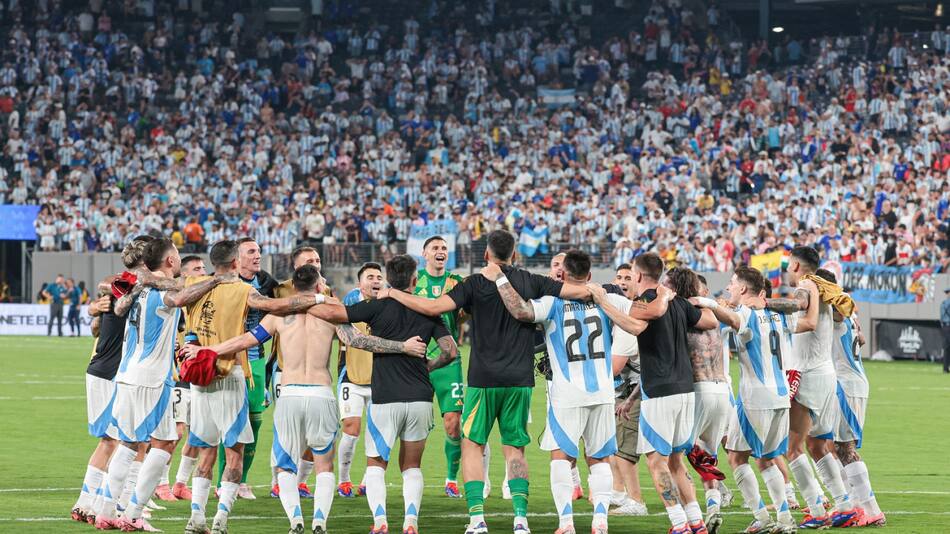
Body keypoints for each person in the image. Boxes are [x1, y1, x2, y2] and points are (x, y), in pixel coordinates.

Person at [182, 263, 424, 534]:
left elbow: (248, 340)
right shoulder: (331, 313)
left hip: (290, 394)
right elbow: (359, 341)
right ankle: (319, 522)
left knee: (285, 465)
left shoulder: (279, 315)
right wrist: (401, 346)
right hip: (321, 394)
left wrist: (209, 349)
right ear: (320, 286)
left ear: (294, 287)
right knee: (324, 463)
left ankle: (296, 520)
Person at [379, 229, 590, 534]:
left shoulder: (475, 283)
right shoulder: (530, 280)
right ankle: (520, 519)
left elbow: (434, 308)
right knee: (515, 448)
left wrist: (393, 292)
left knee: (472, 445)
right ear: (514, 255)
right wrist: (601, 292)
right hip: (519, 380)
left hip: (483, 379)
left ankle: (477, 519)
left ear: (486, 256)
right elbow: (576, 291)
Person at [486, 249, 667, 534]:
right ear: (590, 275)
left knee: (561, 458)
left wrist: (499, 279)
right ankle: (600, 521)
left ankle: (567, 523)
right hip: (604, 392)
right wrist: (665, 294)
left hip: (567, 394)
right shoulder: (610, 299)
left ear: (565, 276)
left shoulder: (552, 301)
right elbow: (643, 313)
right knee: (599, 459)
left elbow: (520, 310)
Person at [181, 239, 325, 534]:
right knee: (234, 451)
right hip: (229, 373)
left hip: (199, 379)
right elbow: (274, 306)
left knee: (206, 449)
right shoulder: (244, 291)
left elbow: (173, 295)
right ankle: (221, 518)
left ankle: (196, 515)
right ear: (235, 263)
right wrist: (317, 299)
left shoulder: (194, 283)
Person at [312, 255, 459, 534]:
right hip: (419, 397)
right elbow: (450, 350)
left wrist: (320, 297)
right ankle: (411, 522)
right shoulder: (428, 310)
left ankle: (380, 521)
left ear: (388, 280)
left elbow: (340, 321)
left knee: (376, 465)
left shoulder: (375, 307)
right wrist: (430, 364)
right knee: (412, 465)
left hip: (385, 397)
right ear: (415, 281)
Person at [99, 238, 225, 531]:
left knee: (129, 442)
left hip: (128, 374)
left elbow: (122, 300)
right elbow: (180, 298)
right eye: (178, 255)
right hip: (151, 379)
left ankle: (106, 511)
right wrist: (217, 281)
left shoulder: (136, 289)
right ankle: (133, 513)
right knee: (166, 442)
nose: (179, 259)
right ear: (169, 261)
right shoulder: (159, 292)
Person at [592, 254, 718, 534]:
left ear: (637, 276)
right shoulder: (678, 302)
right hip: (685, 390)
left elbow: (636, 322)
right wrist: (698, 302)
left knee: (656, 462)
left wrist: (603, 302)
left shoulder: (644, 304)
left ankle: (678, 523)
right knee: (675, 461)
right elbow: (710, 321)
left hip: (660, 392)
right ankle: (696, 522)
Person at [765, 246, 860, 528]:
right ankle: (844, 505)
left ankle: (817, 510)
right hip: (825, 374)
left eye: (788, 265)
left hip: (808, 374)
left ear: (795, 265)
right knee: (817, 445)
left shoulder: (807, 285)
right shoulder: (824, 288)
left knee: (792, 448)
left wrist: (766, 308)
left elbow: (801, 312)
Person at [699, 265, 797, 534]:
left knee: (736, 457)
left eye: (732, 283)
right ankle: (785, 519)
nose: (729, 288)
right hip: (781, 396)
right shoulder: (778, 315)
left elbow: (731, 320)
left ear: (743, 289)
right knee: (766, 459)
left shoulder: (745, 313)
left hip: (756, 397)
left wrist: (706, 302)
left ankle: (762, 517)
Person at [71, 236, 152, 525]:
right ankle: (110, 505)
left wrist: (95, 309)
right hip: (112, 372)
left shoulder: (124, 287)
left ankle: (88, 503)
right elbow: (108, 283)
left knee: (113, 441)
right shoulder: (126, 284)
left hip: (103, 369)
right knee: (126, 441)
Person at [666, 269, 733, 533]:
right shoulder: (712, 313)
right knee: (708, 458)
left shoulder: (680, 313)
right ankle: (714, 508)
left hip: (698, 389)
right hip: (722, 391)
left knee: (673, 459)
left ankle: (685, 519)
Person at [816, 269, 885, 527]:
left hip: (846, 384)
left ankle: (870, 508)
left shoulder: (837, 309)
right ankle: (855, 505)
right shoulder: (849, 311)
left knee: (844, 449)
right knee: (835, 447)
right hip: (852, 381)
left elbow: (838, 316)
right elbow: (863, 339)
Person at [213, 237, 280, 500]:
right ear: (236, 258)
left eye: (259, 251)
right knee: (228, 423)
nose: (258, 256)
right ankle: (222, 481)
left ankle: (242, 480)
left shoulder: (267, 282)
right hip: (229, 358)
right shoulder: (221, 281)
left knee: (255, 421)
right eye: (251, 251)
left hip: (255, 358)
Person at [268, 246, 333, 499]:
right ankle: (278, 480)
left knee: (311, 436)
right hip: (285, 372)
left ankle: (301, 480)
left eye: (318, 259)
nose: (316, 263)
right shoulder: (279, 290)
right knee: (284, 431)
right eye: (309, 261)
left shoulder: (326, 290)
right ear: (296, 267)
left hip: (315, 378)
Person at [413, 236, 472, 499]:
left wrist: (465, 310)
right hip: (419, 358)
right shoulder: (415, 282)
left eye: (444, 248)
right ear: (424, 253)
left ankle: (450, 479)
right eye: (435, 248)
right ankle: (411, 476)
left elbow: (465, 316)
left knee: (453, 423)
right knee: (416, 423)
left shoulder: (456, 282)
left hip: (449, 361)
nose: (441, 252)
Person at [154, 255, 207, 502]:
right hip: (177, 374)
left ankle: (180, 483)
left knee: (198, 432)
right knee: (175, 431)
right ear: (184, 274)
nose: (203, 271)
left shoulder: (204, 298)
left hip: (199, 373)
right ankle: (161, 484)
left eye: (204, 267)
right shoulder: (173, 298)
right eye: (197, 269)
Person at [336, 262, 384, 498]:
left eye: (378, 277)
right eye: (370, 277)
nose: (375, 280)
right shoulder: (351, 302)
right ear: (360, 283)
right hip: (351, 376)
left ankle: (368, 480)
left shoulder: (388, 303)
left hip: (379, 378)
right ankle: (344, 480)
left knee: (376, 432)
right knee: (351, 428)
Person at [606, 263, 650, 517]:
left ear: (637, 281)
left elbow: (615, 367)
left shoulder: (633, 316)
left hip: (637, 390)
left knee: (625, 449)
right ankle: (621, 492)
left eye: (628, 277)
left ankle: (637, 501)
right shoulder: (625, 313)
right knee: (615, 443)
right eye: (619, 277)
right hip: (629, 389)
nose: (622, 281)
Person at [941, 288, 950, 374]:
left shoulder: (943, 303)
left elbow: (942, 317)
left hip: (945, 327)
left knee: (946, 348)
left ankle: (945, 368)